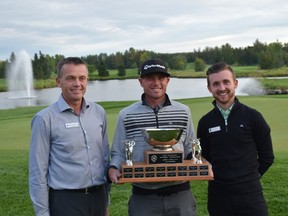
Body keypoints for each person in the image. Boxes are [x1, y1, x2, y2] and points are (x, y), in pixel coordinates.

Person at [108, 58, 197, 216]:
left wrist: (198, 162)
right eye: (150, 78)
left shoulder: (184, 111)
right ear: (141, 81)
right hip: (144, 196)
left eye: (161, 78)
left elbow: (190, 147)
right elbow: (119, 152)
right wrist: (114, 168)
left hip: (180, 194)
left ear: (168, 81)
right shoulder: (126, 115)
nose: (156, 83)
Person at [29, 57, 110, 216]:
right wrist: (42, 213)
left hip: (98, 198)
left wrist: (105, 203)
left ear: (87, 80)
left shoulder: (99, 112)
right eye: (70, 78)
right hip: (65, 201)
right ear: (58, 81)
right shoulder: (44, 119)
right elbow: (37, 172)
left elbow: (104, 158)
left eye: (82, 78)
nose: (77, 84)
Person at [197, 62, 274, 216]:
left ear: (235, 83)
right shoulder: (205, 122)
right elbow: (204, 157)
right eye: (216, 84)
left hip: (251, 197)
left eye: (226, 82)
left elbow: (267, 157)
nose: (222, 88)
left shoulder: (253, 117)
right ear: (209, 88)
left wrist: (248, 178)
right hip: (219, 197)